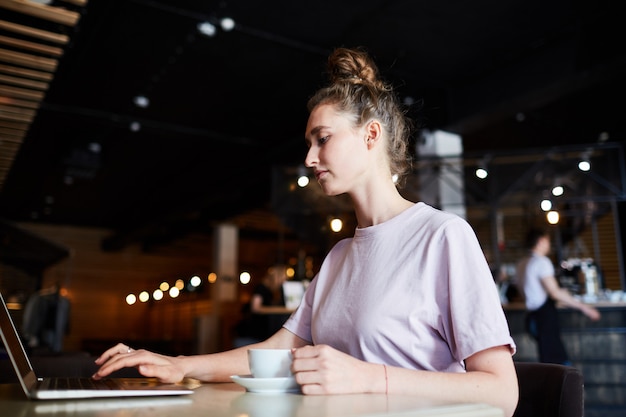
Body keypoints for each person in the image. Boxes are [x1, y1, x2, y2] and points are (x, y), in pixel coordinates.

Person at [93, 47, 519, 417]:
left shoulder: (442, 236)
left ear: (371, 135)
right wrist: (181, 365)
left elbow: (502, 393)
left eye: (322, 138)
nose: (310, 157)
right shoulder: (338, 257)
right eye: (309, 142)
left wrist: (366, 377)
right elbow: (282, 349)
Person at [516, 228, 600, 364]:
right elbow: (554, 293)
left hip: (531, 318)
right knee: (558, 364)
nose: (549, 245)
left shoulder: (521, 264)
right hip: (544, 318)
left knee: (548, 362)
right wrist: (585, 308)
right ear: (541, 241)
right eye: (548, 241)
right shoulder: (541, 262)